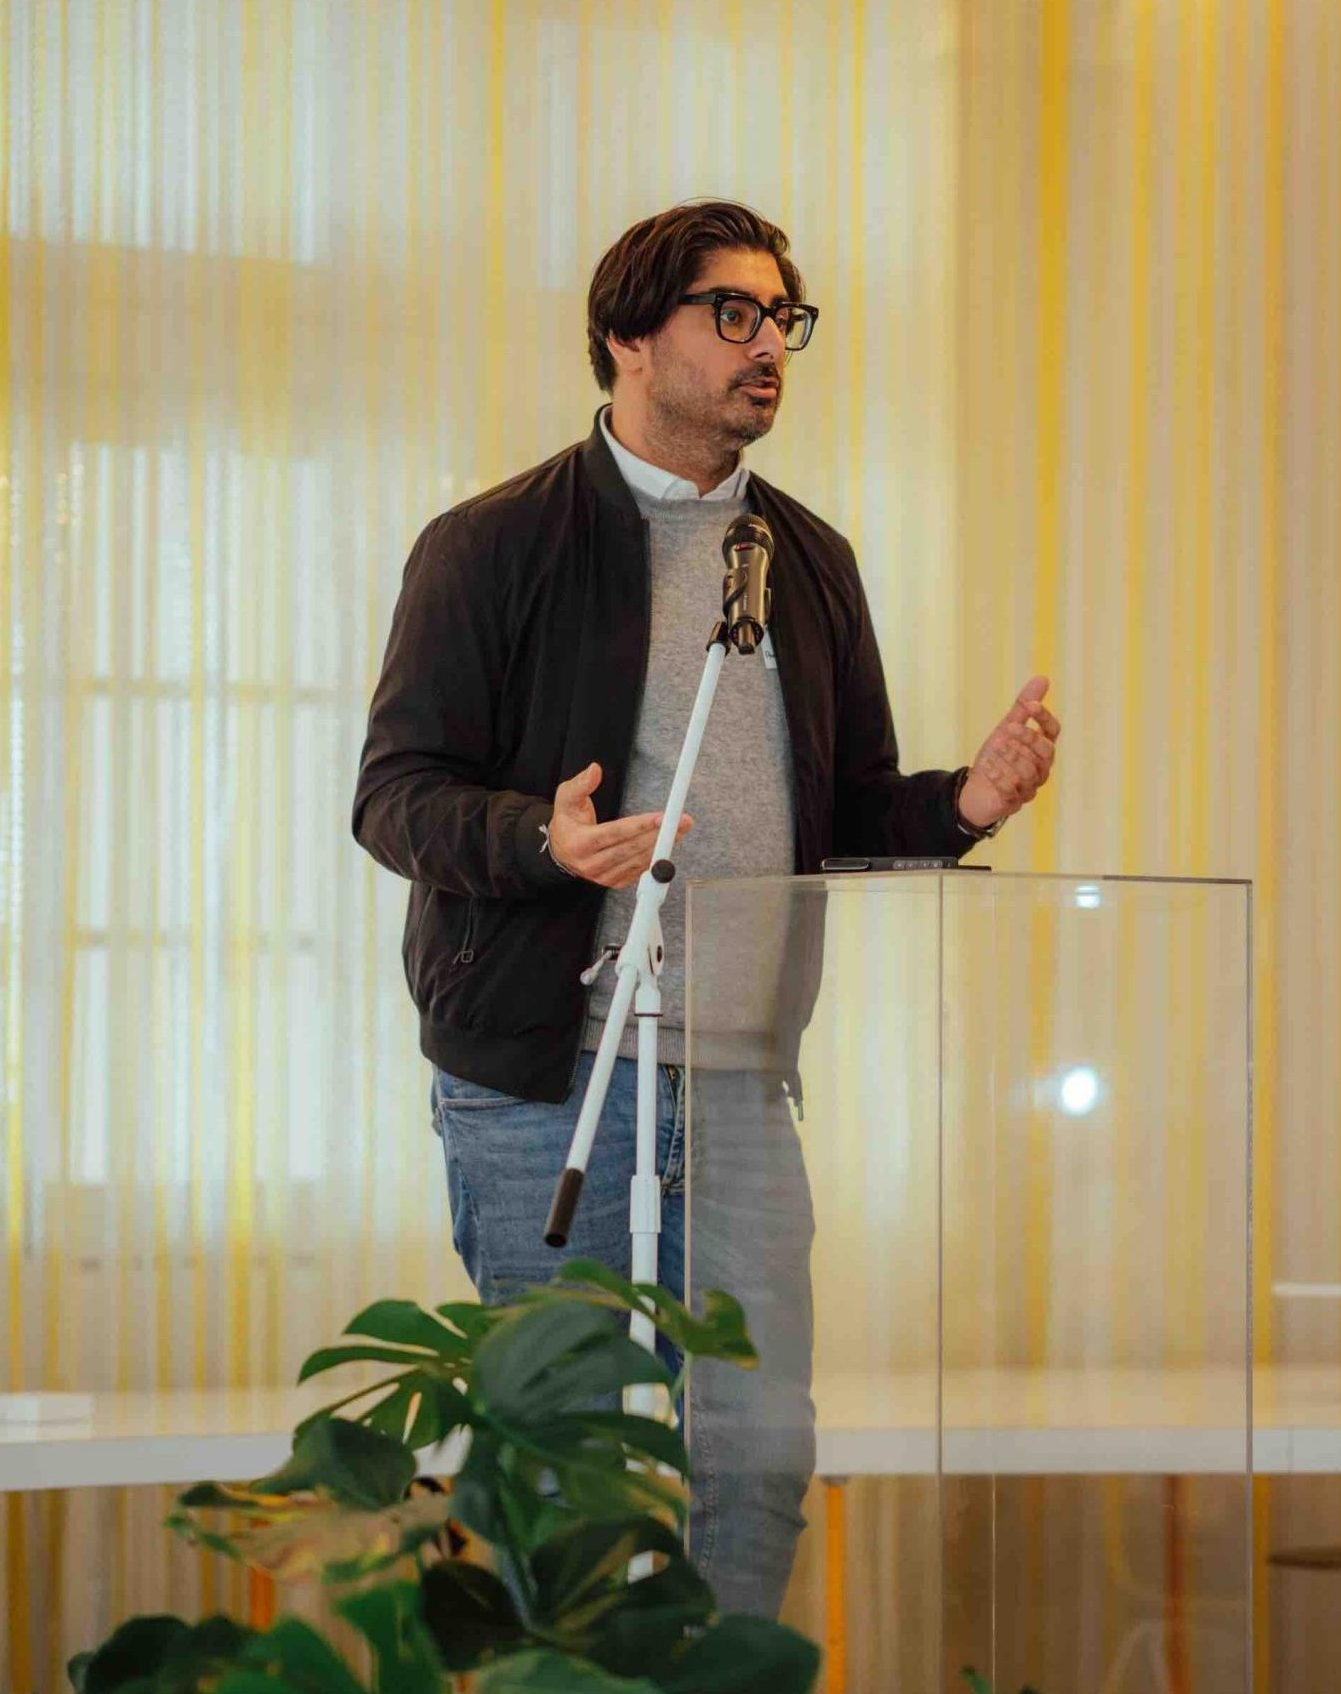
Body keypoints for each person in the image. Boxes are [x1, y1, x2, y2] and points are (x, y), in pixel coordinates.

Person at [351, 200, 1059, 1617]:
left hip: (739, 1078)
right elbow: (395, 796)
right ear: (627, 335)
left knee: (754, 1444)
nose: (768, 347)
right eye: (731, 313)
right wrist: (540, 843)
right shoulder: (490, 546)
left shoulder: (809, 561)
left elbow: (845, 813)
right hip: (544, 1078)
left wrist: (962, 807)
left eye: (781, 318)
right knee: (562, 1455)